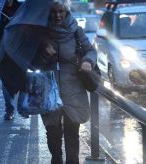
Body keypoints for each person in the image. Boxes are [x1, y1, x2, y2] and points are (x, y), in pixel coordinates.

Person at [29, 1, 97, 163]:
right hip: (49, 92)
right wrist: (45, 55)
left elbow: (90, 50)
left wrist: (87, 61)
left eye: (61, 12)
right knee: (52, 133)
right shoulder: (41, 34)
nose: (58, 15)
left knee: (72, 134)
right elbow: (33, 64)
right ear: (48, 13)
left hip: (73, 91)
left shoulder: (75, 31)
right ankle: (56, 160)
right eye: (54, 12)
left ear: (66, 13)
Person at [0, 0, 21, 120]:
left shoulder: (21, 8)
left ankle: (25, 106)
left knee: (23, 79)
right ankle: (9, 109)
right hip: (4, 50)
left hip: (20, 49)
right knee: (5, 81)